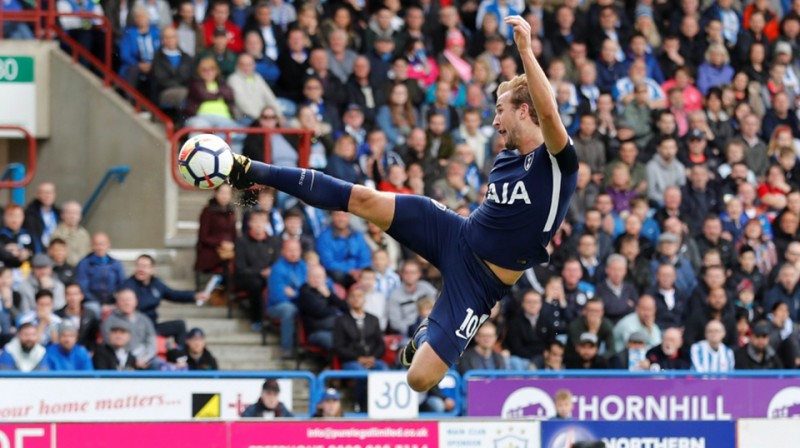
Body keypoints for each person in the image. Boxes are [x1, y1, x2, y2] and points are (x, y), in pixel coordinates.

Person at [225, 15, 578, 392]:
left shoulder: (557, 161)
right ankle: (252, 170)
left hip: (480, 284)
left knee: (419, 379)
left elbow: (551, 114)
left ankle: (426, 331)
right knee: (361, 197)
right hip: (455, 233)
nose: (494, 121)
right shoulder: (505, 158)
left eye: (500, 110)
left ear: (524, 111)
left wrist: (525, 50)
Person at [121, 254, 207, 347]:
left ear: (152, 269)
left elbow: (173, 294)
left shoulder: (156, 284)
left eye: (144, 266)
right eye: (138, 265)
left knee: (180, 325)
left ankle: (181, 358)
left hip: (153, 326)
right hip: (135, 328)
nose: (140, 269)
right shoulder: (128, 285)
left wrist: (194, 296)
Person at [101, 289, 159, 370]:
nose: (127, 303)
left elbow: (152, 343)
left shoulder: (144, 319)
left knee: (158, 364)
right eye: (123, 300)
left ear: (136, 302)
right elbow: (110, 343)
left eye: (129, 300)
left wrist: (144, 358)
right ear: (117, 302)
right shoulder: (109, 321)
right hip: (120, 358)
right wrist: (131, 359)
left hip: (143, 358)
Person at [75, 232, 127, 317]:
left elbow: (122, 286)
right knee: (94, 310)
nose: (100, 247)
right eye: (97, 244)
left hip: (113, 302)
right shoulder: (84, 264)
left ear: (108, 245)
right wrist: (101, 305)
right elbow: (83, 289)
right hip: (92, 302)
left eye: (103, 244)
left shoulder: (116, 264)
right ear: (92, 246)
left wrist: (116, 302)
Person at [51, 201, 90, 267]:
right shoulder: (56, 234)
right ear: (62, 215)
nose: (72, 216)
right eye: (69, 213)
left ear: (80, 216)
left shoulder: (84, 235)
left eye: (76, 213)